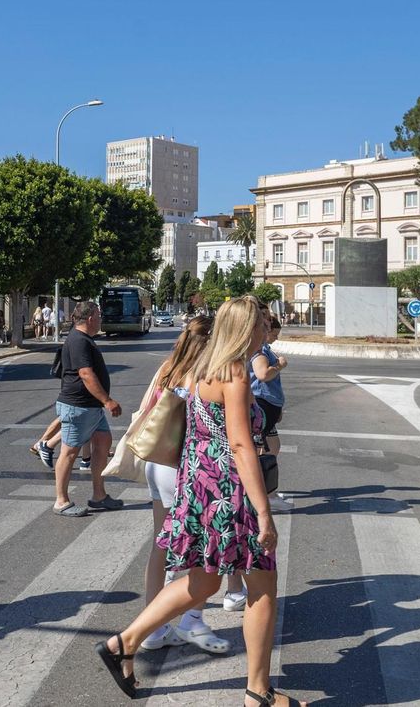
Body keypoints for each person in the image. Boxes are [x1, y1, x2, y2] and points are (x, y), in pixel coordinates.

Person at [97, 296, 304, 707]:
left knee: (203, 580)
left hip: (199, 486)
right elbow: (242, 445)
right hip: (231, 490)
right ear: (247, 329)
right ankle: (258, 693)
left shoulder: (202, 367)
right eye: (262, 325)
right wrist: (264, 511)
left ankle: (125, 642)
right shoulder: (235, 374)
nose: (267, 332)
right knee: (262, 585)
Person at [136, 316, 230, 655]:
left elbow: (148, 410)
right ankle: (192, 619)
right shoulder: (202, 373)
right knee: (201, 549)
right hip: (186, 467)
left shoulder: (168, 366)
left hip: (157, 463)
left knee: (160, 546)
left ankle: (154, 627)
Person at [52, 301, 123, 517]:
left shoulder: (83, 339)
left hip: (89, 407)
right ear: (90, 318)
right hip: (78, 406)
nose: (101, 319)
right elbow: (85, 374)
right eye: (99, 316)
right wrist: (107, 400)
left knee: (103, 442)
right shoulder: (78, 340)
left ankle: (99, 495)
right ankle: (61, 501)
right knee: (69, 452)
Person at [250, 315, 291, 511]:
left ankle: (267, 491)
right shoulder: (259, 354)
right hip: (263, 405)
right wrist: (280, 365)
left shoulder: (264, 350)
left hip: (268, 406)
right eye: (271, 332)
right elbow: (263, 374)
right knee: (263, 452)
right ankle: (266, 495)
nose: (274, 337)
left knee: (272, 447)